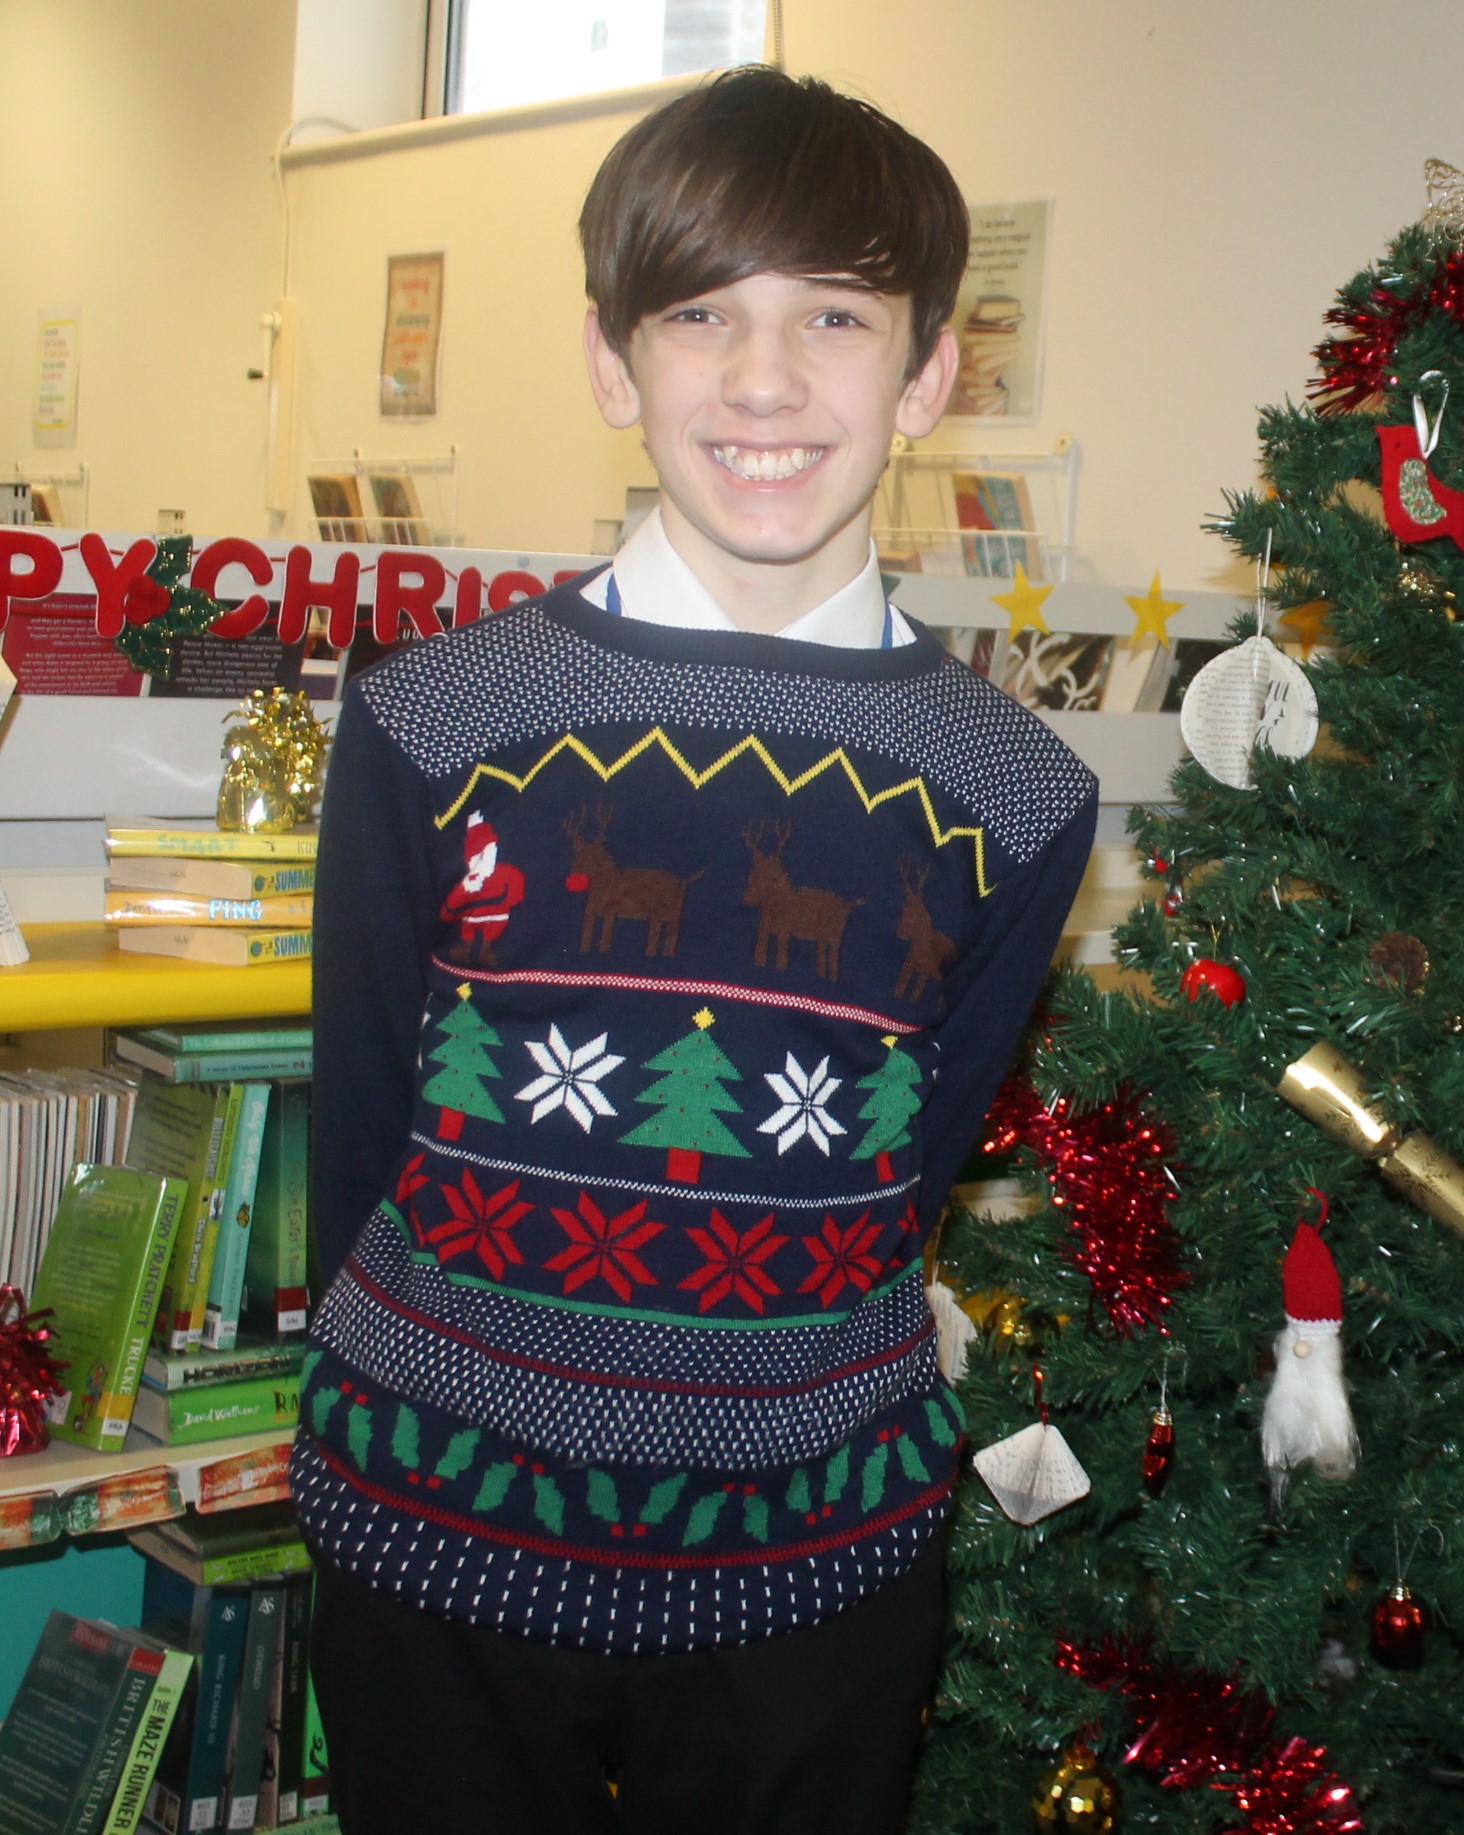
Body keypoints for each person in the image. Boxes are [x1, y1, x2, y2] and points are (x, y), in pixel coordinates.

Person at [296, 69, 1096, 1835]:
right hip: (439, 1530)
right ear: (612, 364)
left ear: (928, 372)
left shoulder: (1015, 793)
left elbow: (906, 1174)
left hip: (811, 1563)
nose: (762, 379)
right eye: (699, 315)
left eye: (833, 316)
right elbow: (358, 1131)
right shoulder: (437, 722)